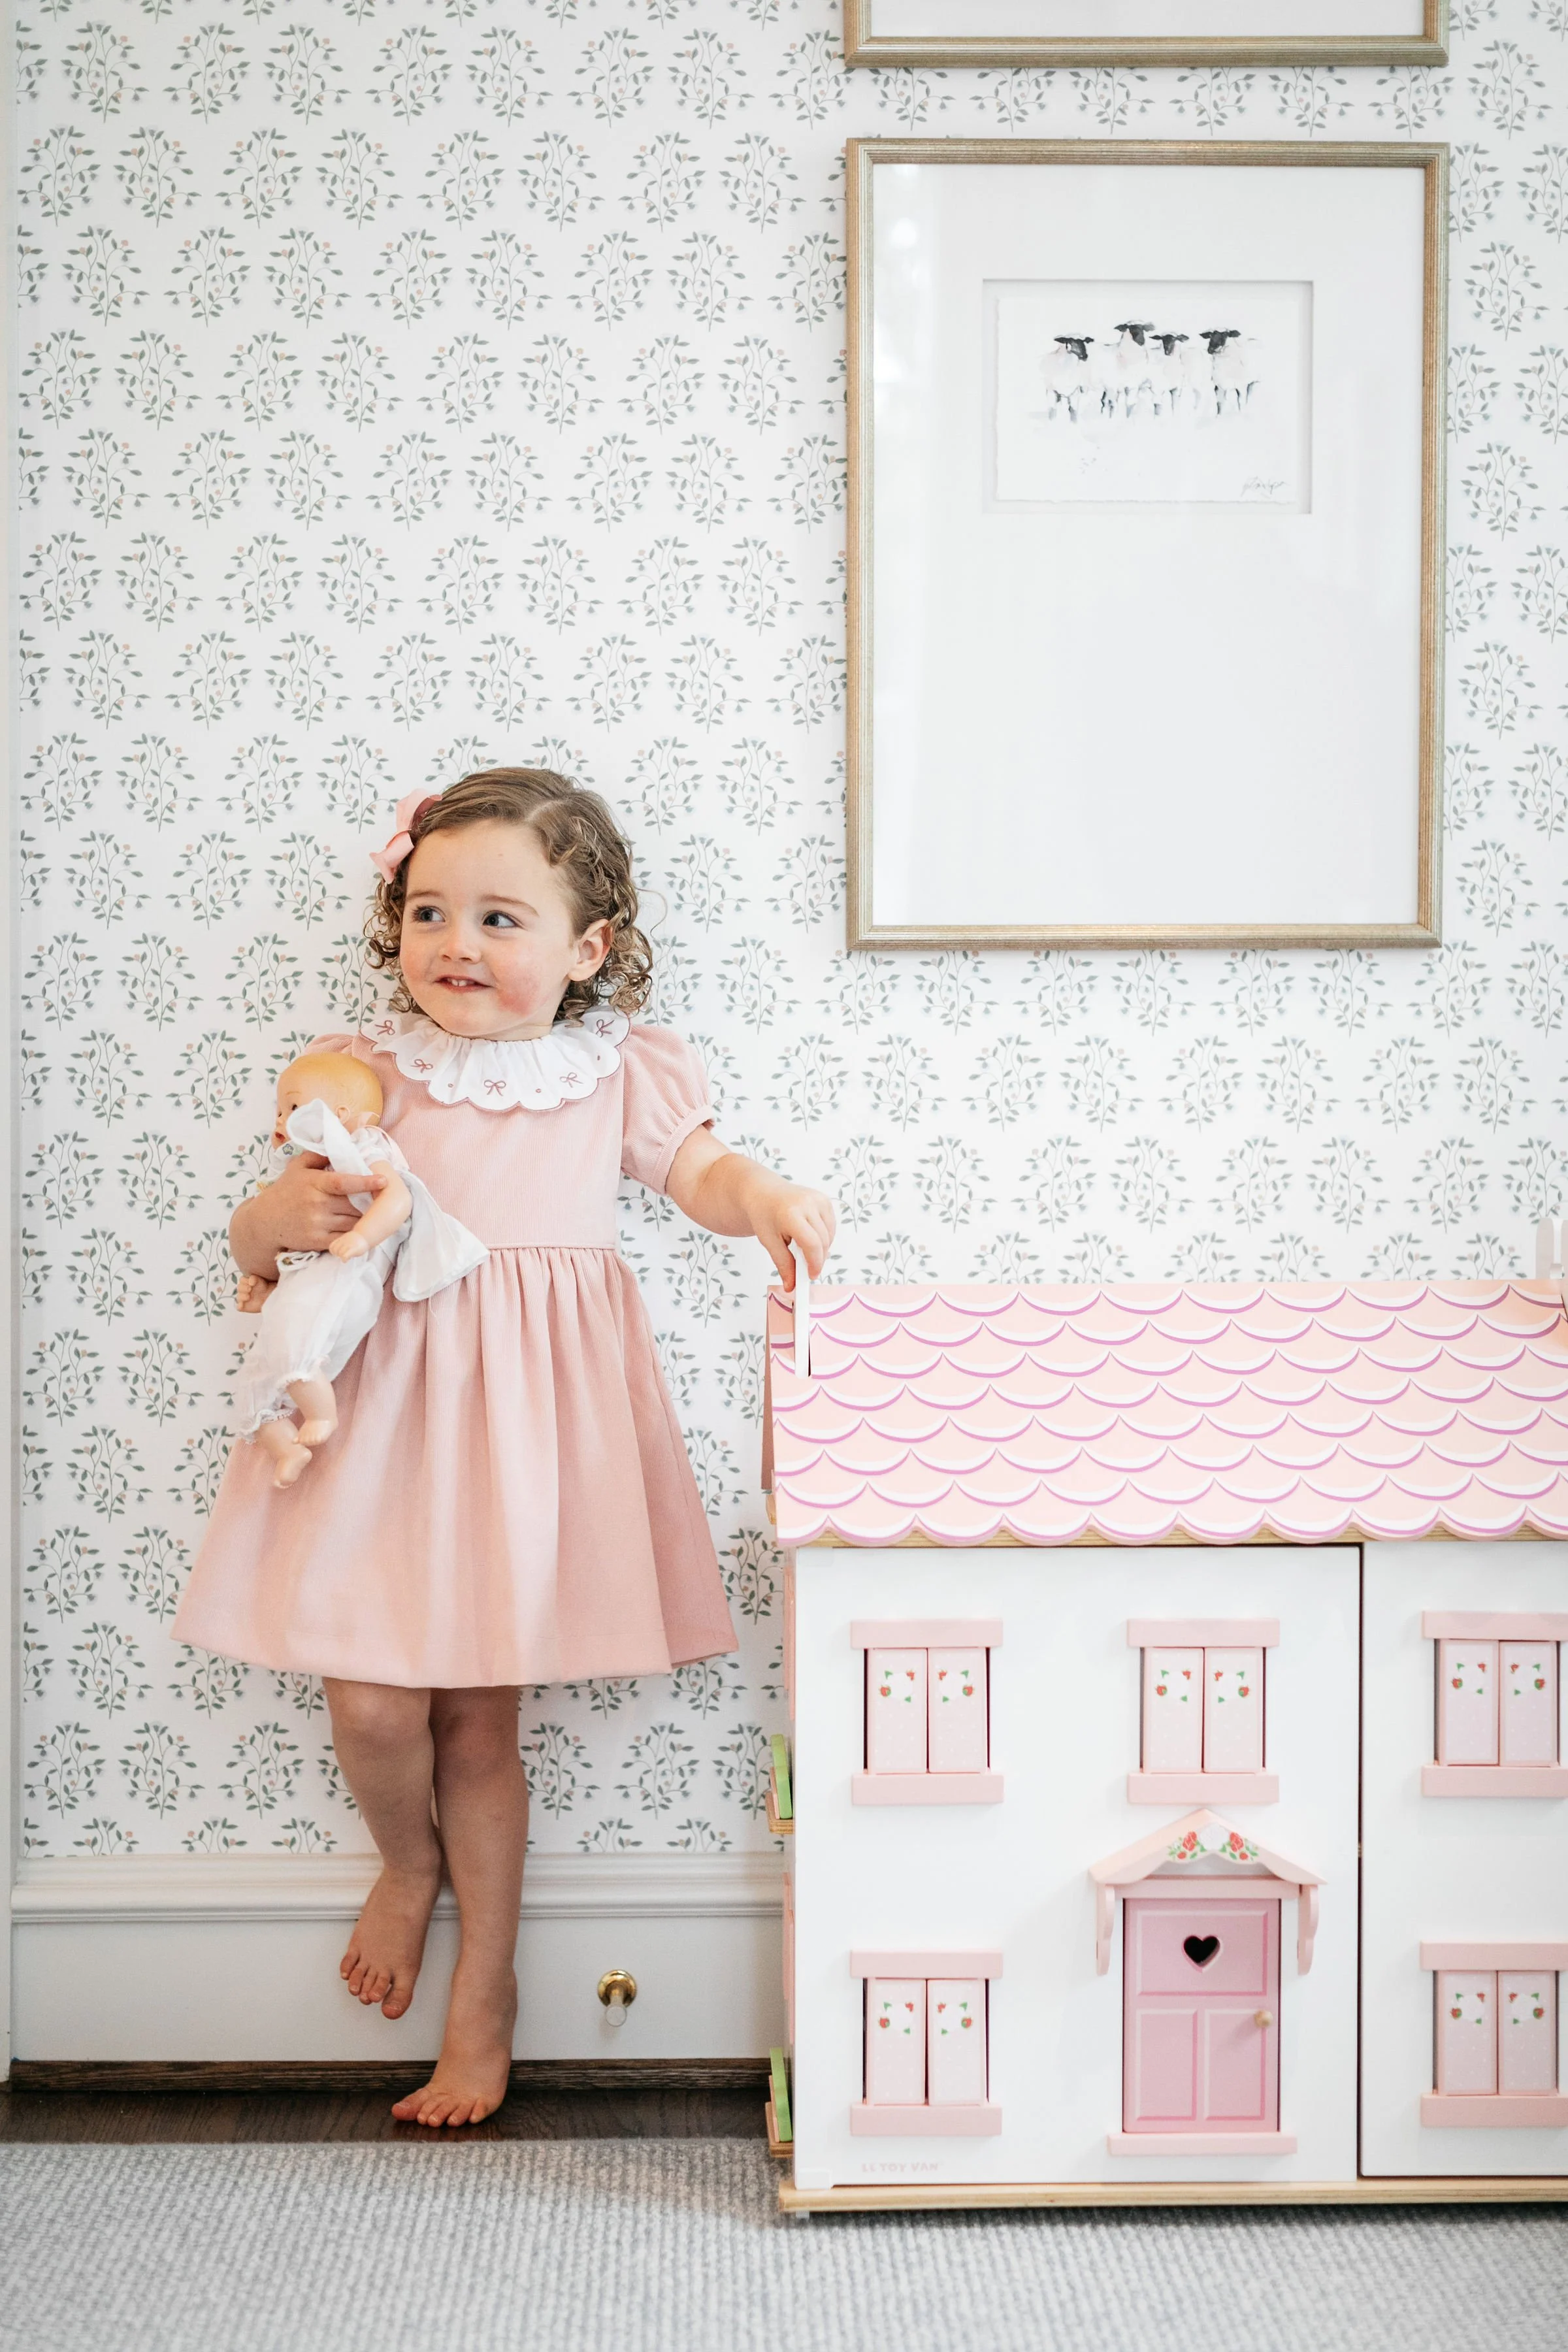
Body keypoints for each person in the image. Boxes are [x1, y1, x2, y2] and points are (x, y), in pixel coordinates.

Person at [174, 766, 836, 2129]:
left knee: (483, 1723)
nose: (456, 946)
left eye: (498, 918)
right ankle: (405, 1863)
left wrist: (762, 1193)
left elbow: (700, 1172)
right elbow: (285, 1188)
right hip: (387, 1416)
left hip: (534, 1429)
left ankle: (488, 1991)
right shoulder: (373, 1071)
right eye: (429, 913)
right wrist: (294, 1187)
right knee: (369, 1699)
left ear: (586, 948)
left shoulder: (618, 1070)